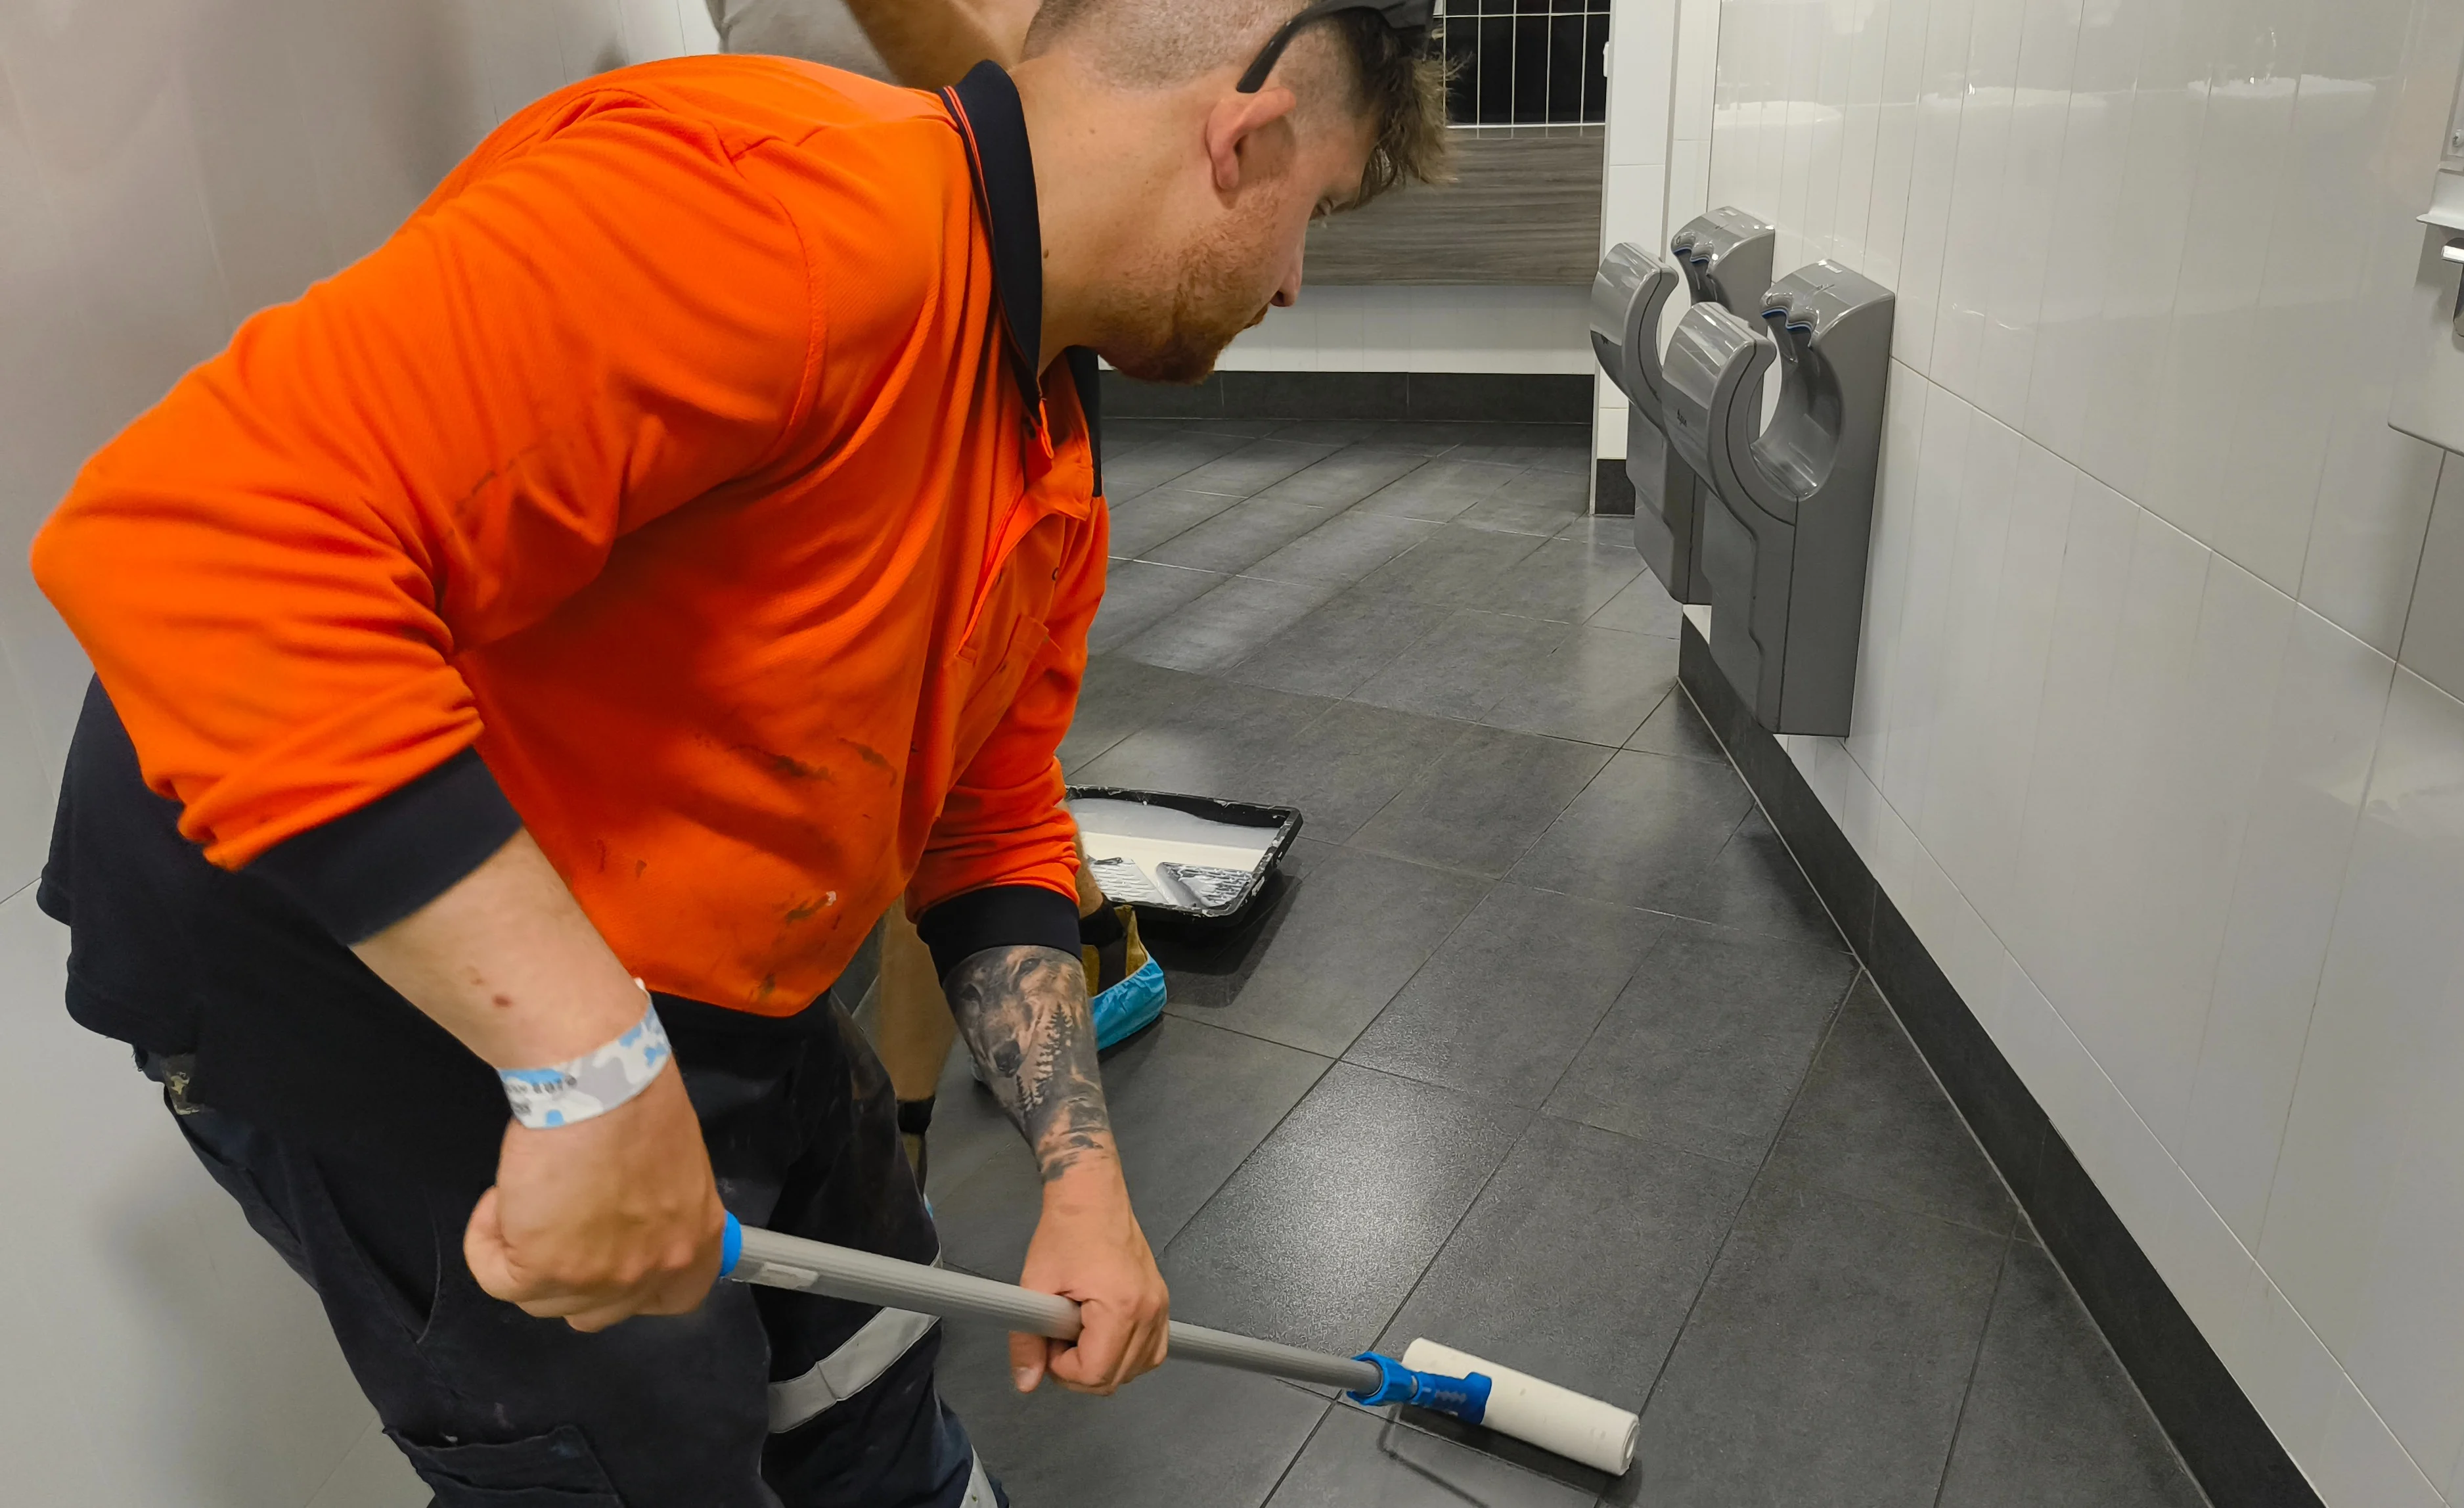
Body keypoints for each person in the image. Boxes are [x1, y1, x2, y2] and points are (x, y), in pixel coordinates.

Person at [31, 1, 1449, 1503]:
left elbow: (990, 820)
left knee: (871, 1343)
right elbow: (202, 549)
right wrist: (589, 1067)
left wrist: (1083, 1180)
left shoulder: (1042, 432)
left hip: (688, 960)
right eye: (1315, 218)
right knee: (645, 1450)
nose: (1292, 283)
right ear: (1247, 138)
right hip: (367, 966)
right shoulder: (775, 216)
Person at [701, 0, 1169, 1189]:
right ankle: (1099, 930)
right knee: (899, 732)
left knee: (954, 745)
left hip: (985, 296)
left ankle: (901, 1139)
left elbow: (1029, 116)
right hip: (828, 303)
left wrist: (1079, 1173)